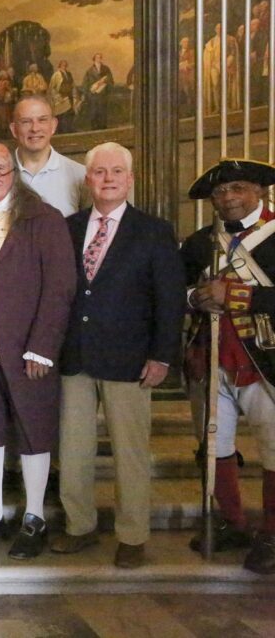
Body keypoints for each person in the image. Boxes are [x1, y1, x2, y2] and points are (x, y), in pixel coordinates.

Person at [52, 142, 184, 569]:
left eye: (116, 172)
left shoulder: (154, 231)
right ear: (87, 179)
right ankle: (79, 526)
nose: (107, 178)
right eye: (99, 172)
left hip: (130, 359)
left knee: (129, 451)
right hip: (74, 357)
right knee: (73, 450)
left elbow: (169, 300)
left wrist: (162, 355)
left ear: (129, 179)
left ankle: (132, 535)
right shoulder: (68, 229)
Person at [0, 142, 76, 560]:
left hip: (25, 350)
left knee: (32, 430)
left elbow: (60, 288)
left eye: (0, 169)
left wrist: (42, 348)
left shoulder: (43, 220)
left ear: (14, 173)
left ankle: (34, 516)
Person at [182, 158, 275, 575]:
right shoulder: (201, 242)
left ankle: (272, 533)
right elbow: (177, 287)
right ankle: (232, 520)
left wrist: (239, 297)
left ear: (260, 191)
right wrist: (194, 298)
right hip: (211, 356)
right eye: (220, 192)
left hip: (266, 361)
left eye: (237, 188)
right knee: (214, 445)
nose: (228, 198)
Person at [10, 94, 86, 217]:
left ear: (54, 125)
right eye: (26, 122)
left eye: (42, 120)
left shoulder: (79, 175)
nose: (35, 128)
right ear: (14, 130)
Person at [81, 52, 114, 130]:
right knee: (94, 111)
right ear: (94, 59)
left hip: (103, 94)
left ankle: (103, 127)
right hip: (93, 95)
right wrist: (87, 94)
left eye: (100, 57)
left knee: (102, 111)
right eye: (97, 57)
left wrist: (105, 83)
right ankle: (94, 127)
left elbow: (110, 79)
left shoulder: (106, 68)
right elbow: (85, 83)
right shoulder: (89, 71)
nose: (99, 59)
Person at [48, 61, 75, 133]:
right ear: (59, 65)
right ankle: (60, 131)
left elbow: (72, 84)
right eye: (62, 65)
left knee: (68, 114)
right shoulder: (56, 75)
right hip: (60, 98)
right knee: (60, 116)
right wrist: (58, 98)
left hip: (68, 97)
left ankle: (68, 130)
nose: (64, 66)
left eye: (65, 65)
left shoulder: (68, 74)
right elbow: (52, 88)